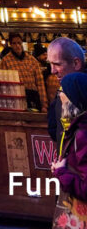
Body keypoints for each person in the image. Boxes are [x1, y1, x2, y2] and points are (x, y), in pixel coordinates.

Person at [50, 72, 87, 226]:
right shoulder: (80, 128)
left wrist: (61, 172)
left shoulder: (82, 134)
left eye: (62, 91)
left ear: (73, 97)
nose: (59, 96)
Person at [48, 37, 86, 146]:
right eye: (50, 64)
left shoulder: (81, 92)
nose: (52, 71)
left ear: (76, 63)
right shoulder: (62, 90)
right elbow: (54, 131)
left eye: (57, 64)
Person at [0, 33, 46, 111]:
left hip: (32, 97)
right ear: (10, 45)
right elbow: (3, 84)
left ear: (22, 43)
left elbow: (40, 83)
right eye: (14, 43)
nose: (17, 46)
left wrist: (44, 104)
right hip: (15, 99)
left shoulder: (32, 60)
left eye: (19, 43)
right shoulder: (5, 61)